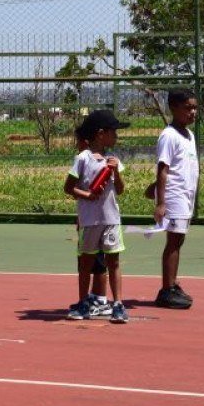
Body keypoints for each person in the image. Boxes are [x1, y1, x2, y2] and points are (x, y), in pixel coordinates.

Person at [63, 109, 128, 324]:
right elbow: (69, 188)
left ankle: (118, 304)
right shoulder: (83, 158)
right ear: (101, 134)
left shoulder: (113, 160)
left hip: (111, 220)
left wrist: (116, 171)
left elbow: (120, 190)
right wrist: (88, 195)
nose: (116, 137)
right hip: (90, 221)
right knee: (86, 263)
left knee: (114, 261)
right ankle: (83, 303)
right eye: (114, 132)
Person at [152, 90, 200, 309]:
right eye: (188, 108)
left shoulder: (189, 135)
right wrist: (160, 202)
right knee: (173, 242)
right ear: (174, 108)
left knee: (178, 240)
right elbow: (163, 169)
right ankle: (166, 289)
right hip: (175, 196)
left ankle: (172, 283)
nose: (193, 112)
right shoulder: (169, 135)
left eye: (195, 108)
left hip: (186, 195)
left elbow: (181, 167)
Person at [67, 125, 110, 316]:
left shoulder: (88, 158)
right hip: (87, 219)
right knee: (88, 259)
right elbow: (74, 190)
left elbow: (76, 190)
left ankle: (100, 298)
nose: (76, 145)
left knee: (97, 259)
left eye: (77, 141)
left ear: (85, 142)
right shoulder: (84, 161)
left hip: (97, 220)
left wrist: (87, 195)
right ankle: (92, 297)